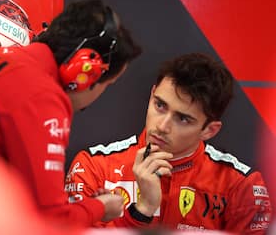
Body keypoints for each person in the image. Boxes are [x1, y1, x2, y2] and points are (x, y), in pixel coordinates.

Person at [0, 0, 141, 227]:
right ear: (87, 70)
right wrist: (102, 207)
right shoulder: (42, 95)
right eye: (108, 85)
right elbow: (52, 222)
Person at [65, 53, 272, 233]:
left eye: (183, 119)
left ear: (210, 130)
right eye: (160, 105)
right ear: (151, 95)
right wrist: (142, 211)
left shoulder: (240, 186)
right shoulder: (94, 168)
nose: (162, 126)